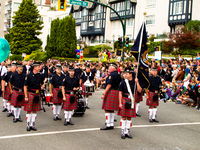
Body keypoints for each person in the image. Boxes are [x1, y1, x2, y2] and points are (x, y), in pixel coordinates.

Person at [118, 68, 142, 139]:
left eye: (127, 74)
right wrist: (120, 103)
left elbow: (139, 90)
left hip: (131, 99)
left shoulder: (135, 82)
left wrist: (137, 82)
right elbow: (120, 93)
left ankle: (127, 132)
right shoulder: (123, 82)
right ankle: (122, 132)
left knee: (129, 117)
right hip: (124, 99)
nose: (125, 75)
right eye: (125, 74)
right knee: (123, 116)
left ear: (130, 75)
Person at [24, 62, 45, 131]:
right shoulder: (29, 76)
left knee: (35, 110)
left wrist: (42, 86)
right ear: (35, 67)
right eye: (38, 67)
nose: (39, 68)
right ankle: (28, 125)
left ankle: (32, 124)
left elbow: (42, 83)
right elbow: (25, 86)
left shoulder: (40, 75)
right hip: (30, 93)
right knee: (29, 110)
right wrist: (26, 96)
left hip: (37, 94)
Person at [100, 63, 121, 130]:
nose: (108, 68)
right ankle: (111, 123)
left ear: (113, 68)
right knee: (112, 109)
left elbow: (109, 85)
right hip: (116, 92)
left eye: (110, 67)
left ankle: (108, 124)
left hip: (111, 91)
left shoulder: (111, 75)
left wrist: (104, 94)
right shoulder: (118, 74)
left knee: (107, 109)